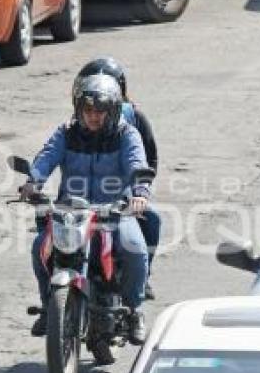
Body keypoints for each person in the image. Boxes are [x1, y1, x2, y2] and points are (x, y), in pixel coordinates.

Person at [21, 73, 151, 344]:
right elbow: (46, 157)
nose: (93, 116)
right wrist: (33, 182)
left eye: (100, 111)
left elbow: (137, 162)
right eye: (88, 110)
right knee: (39, 248)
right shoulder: (66, 132)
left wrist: (139, 193)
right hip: (71, 211)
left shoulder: (127, 133)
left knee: (134, 248)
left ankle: (134, 310)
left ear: (113, 111)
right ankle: (49, 306)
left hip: (113, 212)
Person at [74, 57, 161, 300]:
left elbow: (148, 160)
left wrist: (139, 192)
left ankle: (141, 281)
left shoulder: (134, 121)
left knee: (151, 220)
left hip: (123, 197)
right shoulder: (76, 124)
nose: (95, 115)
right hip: (82, 201)